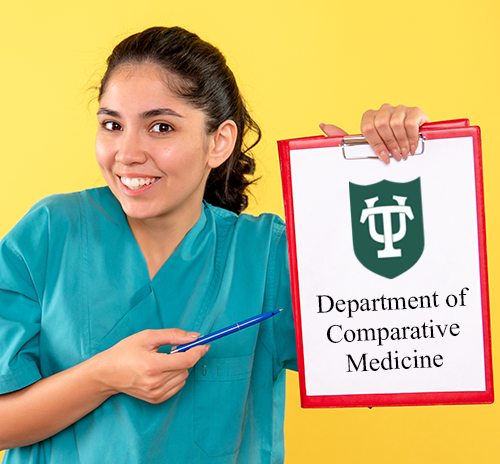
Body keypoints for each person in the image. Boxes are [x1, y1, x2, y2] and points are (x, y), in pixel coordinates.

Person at [0, 26, 429, 463]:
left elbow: (384, 357)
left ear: (218, 142)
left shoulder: (266, 255)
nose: (126, 152)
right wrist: (104, 377)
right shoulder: (51, 232)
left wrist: (383, 179)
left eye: (160, 127)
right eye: (112, 125)